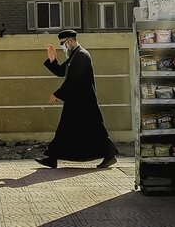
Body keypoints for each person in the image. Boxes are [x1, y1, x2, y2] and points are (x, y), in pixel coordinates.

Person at [37, 29, 119, 170]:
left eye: (63, 43)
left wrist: (57, 94)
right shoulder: (74, 55)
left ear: (71, 40)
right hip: (76, 100)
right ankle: (52, 158)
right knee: (64, 130)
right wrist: (52, 60)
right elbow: (62, 72)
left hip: (84, 102)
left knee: (95, 130)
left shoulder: (81, 55)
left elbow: (74, 80)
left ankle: (110, 155)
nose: (62, 46)